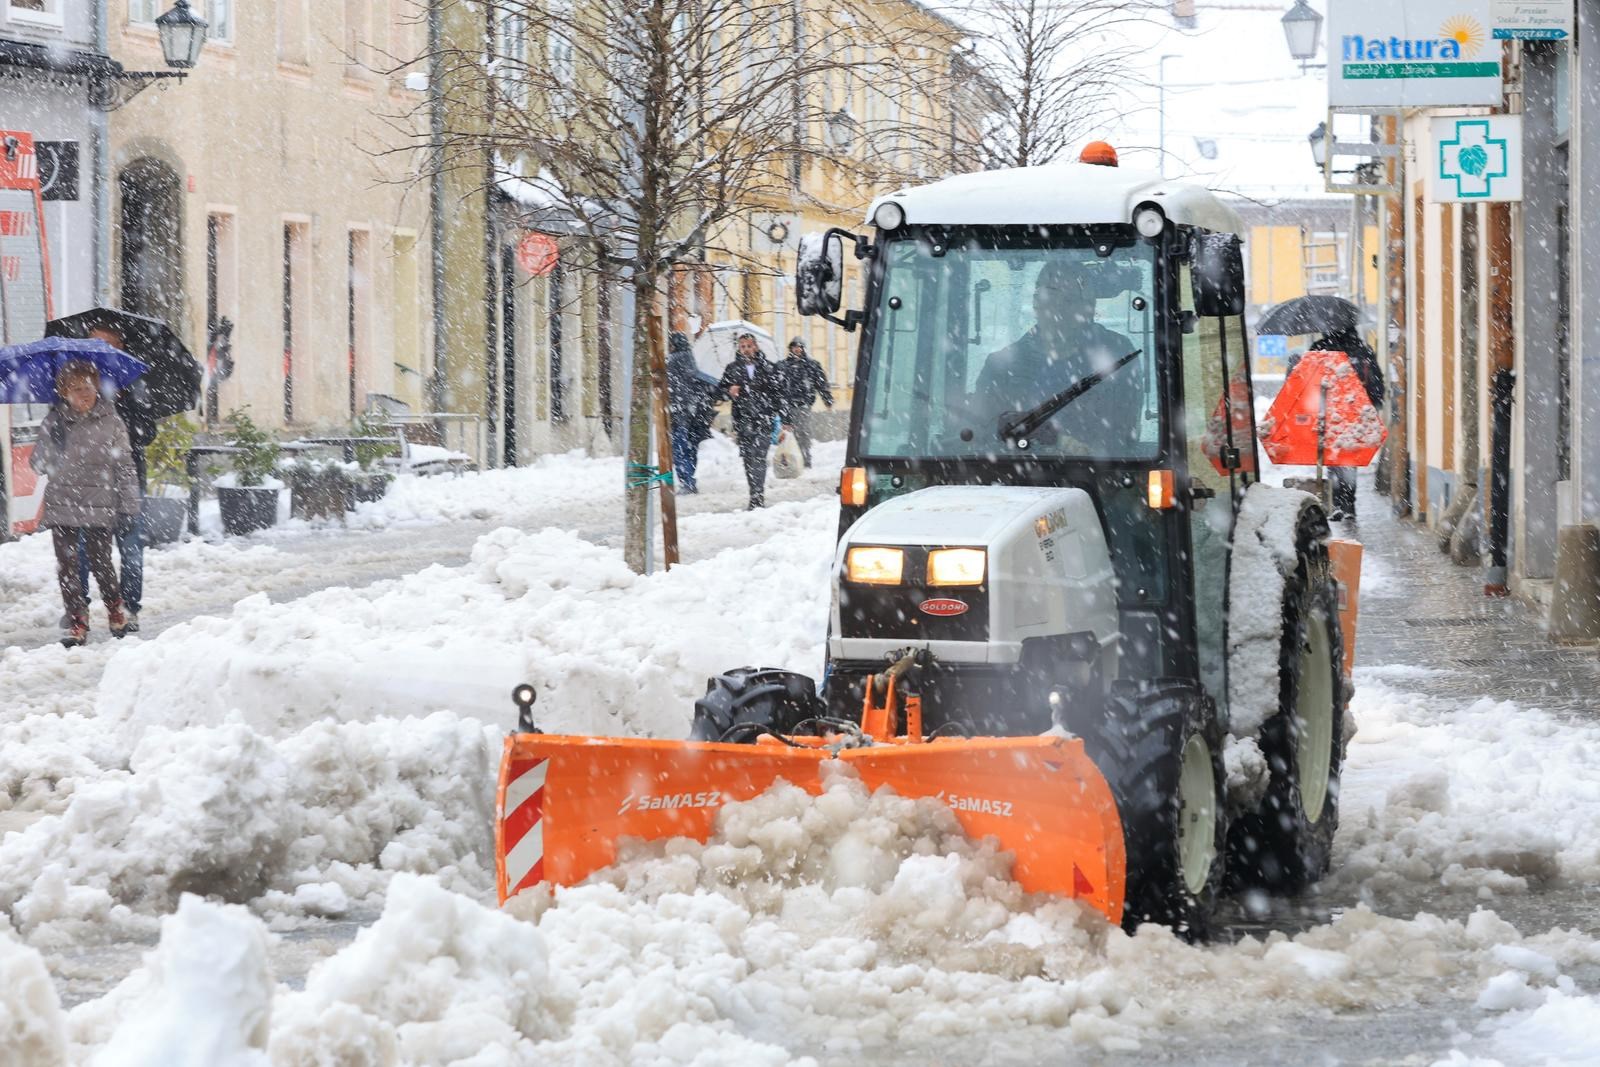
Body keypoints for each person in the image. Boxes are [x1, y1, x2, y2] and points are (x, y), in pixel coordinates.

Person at [974, 258, 1143, 455]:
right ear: (1036, 304)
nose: (1058, 309)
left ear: (1089, 306)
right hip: (1014, 467)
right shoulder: (1001, 366)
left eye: (1070, 300)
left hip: (1100, 468)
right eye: (1051, 298)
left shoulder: (1118, 354)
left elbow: (1124, 432)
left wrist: (1089, 451)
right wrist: (1051, 439)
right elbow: (984, 432)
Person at [31, 361, 140, 646]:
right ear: (64, 392)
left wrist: (129, 505)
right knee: (67, 566)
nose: (84, 394)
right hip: (62, 502)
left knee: (100, 562)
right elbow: (37, 465)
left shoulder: (112, 421)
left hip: (98, 503)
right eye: (77, 389)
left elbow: (125, 466)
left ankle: (114, 608)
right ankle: (78, 620)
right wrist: (50, 445)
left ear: (97, 388)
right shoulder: (54, 422)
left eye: (89, 387)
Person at [70, 324, 151, 633]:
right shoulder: (76, 385)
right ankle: (79, 610)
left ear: (120, 348)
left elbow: (148, 432)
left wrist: (120, 415)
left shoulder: (134, 385)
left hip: (127, 481)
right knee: (82, 549)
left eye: (106, 344)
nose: (98, 349)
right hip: (87, 484)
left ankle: (129, 609)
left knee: (130, 548)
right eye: (93, 343)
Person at [1302, 325, 1384, 521]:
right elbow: (1376, 382)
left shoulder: (1320, 348)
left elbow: (1306, 380)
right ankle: (1348, 504)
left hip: (1328, 412)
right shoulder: (1362, 350)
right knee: (1349, 459)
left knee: (1332, 458)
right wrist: (1372, 405)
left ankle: (1337, 502)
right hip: (1355, 412)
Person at [716, 332, 790, 509]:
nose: (746, 349)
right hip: (743, 420)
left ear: (756, 347)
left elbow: (779, 394)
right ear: (739, 348)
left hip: (764, 419)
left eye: (749, 346)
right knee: (748, 459)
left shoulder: (769, 367)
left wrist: (785, 418)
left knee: (759, 457)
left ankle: (758, 496)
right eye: (743, 347)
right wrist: (728, 391)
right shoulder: (732, 368)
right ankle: (753, 493)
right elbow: (718, 392)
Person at [665, 331, 715, 494]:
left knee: (679, 449)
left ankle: (687, 481)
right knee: (690, 448)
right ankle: (690, 478)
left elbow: (668, 386)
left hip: (678, 412)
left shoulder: (671, 361)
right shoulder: (693, 360)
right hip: (694, 413)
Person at [777, 337, 834, 467]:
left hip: (803, 404)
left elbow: (821, 383)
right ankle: (788, 460)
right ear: (790, 349)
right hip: (787, 404)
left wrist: (827, 399)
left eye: (800, 347)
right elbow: (777, 387)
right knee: (787, 433)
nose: (797, 349)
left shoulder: (811, 365)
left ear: (803, 349)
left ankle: (804, 458)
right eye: (795, 347)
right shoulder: (783, 366)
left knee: (803, 432)